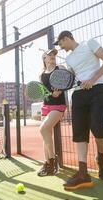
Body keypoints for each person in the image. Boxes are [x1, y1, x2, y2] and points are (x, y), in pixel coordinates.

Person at [53, 31, 103, 190]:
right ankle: (82, 173)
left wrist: (92, 79)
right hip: (79, 95)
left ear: (66, 38)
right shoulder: (68, 59)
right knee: (79, 132)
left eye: (60, 43)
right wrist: (59, 89)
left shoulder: (89, 43)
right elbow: (71, 79)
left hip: (98, 89)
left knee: (98, 128)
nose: (60, 47)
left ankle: (100, 157)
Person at [37, 48, 67, 177]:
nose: (52, 56)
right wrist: (45, 92)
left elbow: (67, 81)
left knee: (43, 129)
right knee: (45, 135)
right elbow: (43, 90)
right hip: (46, 106)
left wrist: (59, 91)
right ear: (44, 58)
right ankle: (48, 163)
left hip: (58, 105)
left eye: (54, 54)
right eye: (49, 55)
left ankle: (53, 161)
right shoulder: (41, 74)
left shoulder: (60, 68)